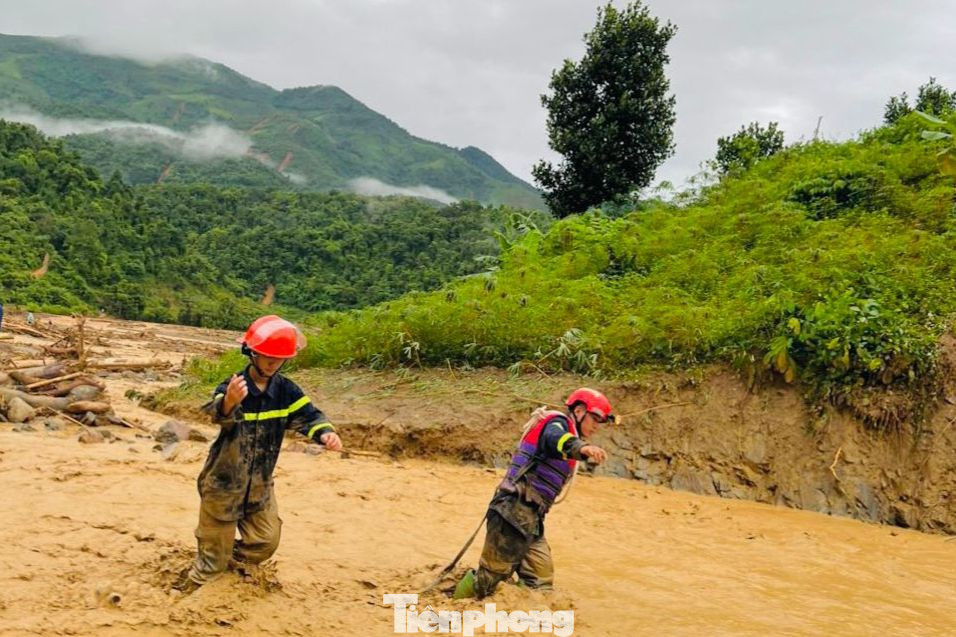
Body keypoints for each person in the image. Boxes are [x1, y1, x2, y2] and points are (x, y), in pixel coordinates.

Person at [179, 315, 342, 591]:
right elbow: (219, 415)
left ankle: (229, 560)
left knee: (266, 540)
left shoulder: (286, 391)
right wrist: (230, 401)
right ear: (252, 352)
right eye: (267, 356)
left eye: (279, 359)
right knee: (210, 566)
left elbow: (309, 416)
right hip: (224, 483)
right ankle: (188, 593)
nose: (272, 363)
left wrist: (325, 432)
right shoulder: (234, 386)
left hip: (260, 485)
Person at [453, 388, 614, 599]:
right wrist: (581, 448)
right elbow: (554, 439)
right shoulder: (556, 423)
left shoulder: (569, 433)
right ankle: (454, 608)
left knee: (540, 582)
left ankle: (515, 612)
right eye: (595, 419)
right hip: (511, 511)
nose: (596, 426)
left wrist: (579, 447)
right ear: (579, 411)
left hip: (531, 517)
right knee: (489, 582)